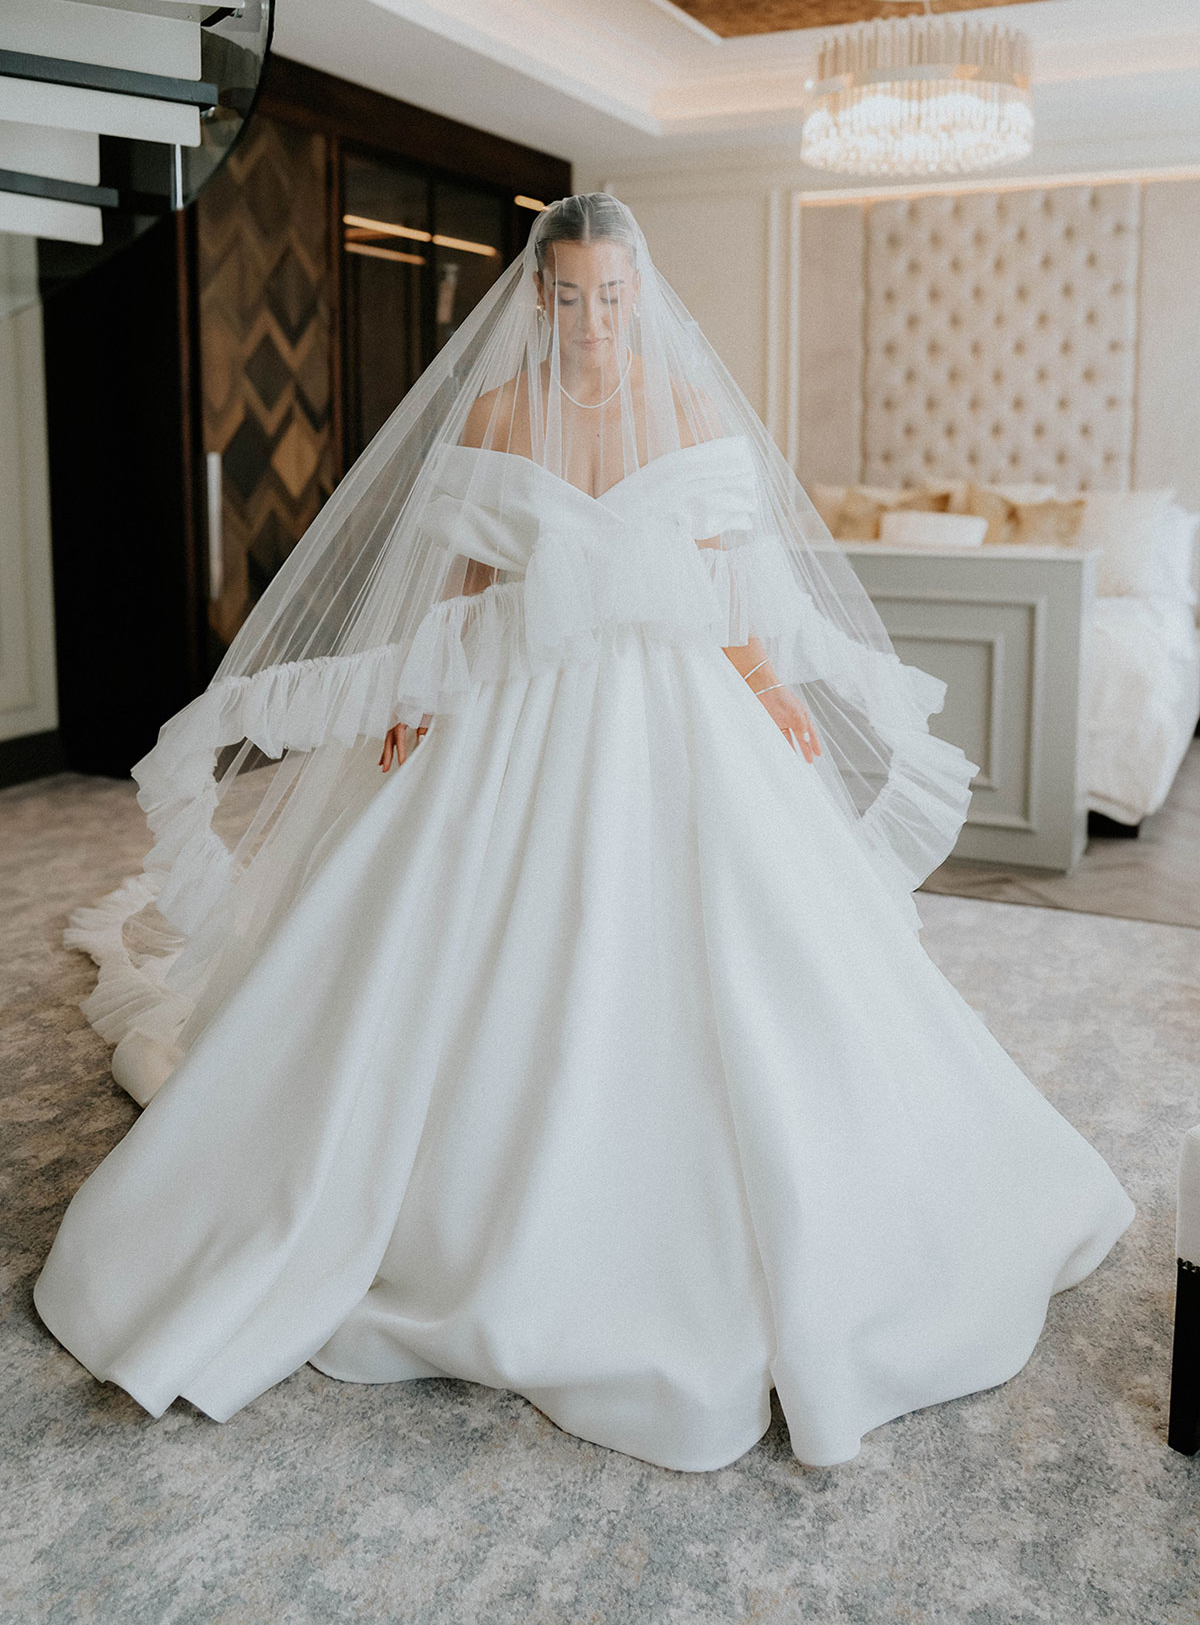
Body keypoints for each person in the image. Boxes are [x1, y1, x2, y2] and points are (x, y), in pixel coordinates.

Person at [34, 194, 1134, 1472]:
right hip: (522, 700)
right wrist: (418, 693)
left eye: (611, 295)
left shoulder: (689, 403)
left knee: (756, 942)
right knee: (452, 933)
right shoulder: (502, 410)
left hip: (677, 704)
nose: (593, 318)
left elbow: (727, 571)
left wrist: (767, 685)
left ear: (638, 290)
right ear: (540, 297)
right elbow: (463, 573)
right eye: (570, 297)